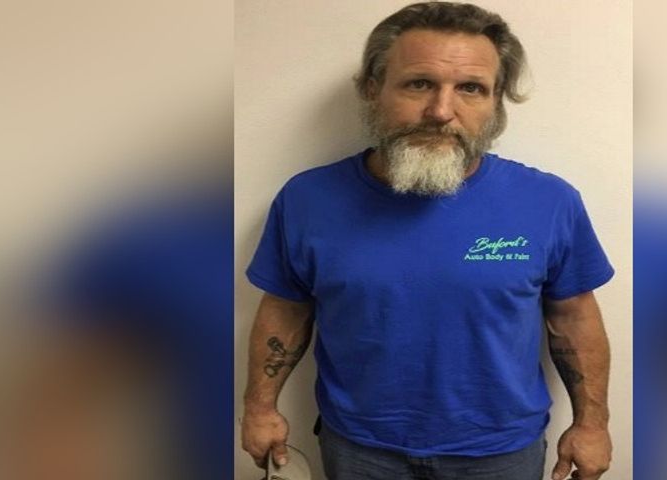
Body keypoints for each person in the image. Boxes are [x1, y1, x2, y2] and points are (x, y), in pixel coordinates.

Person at [241, 3, 614, 480]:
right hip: (359, 450)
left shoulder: (549, 202)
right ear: (373, 88)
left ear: (495, 102)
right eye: (419, 83)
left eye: (471, 88)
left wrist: (592, 424)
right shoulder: (307, 199)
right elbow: (286, 309)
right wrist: (259, 408)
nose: (441, 111)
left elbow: (574, 318)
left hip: (499, 454)